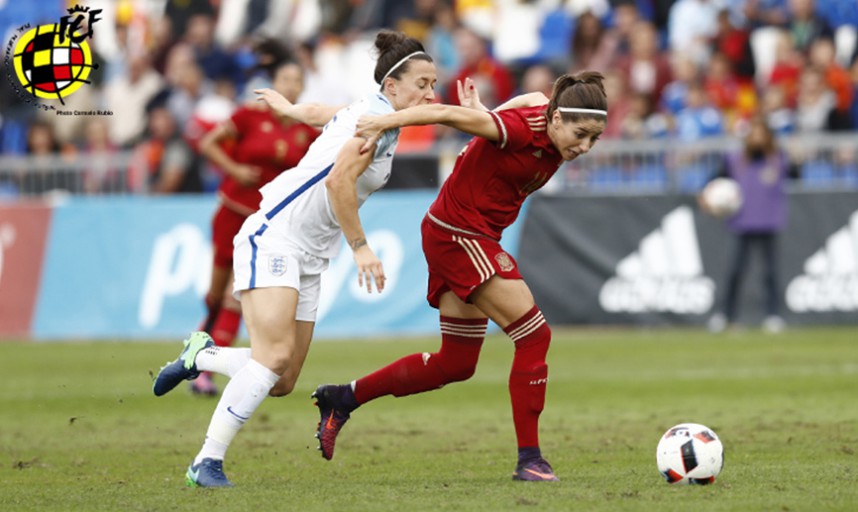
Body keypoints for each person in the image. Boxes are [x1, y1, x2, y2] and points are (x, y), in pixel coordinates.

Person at [150, 30, 438, 488]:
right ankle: (206, 461)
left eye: (433, 84)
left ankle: (202, 355)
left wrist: (289, 109)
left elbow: (324, 113)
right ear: (392, 86)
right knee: (274, 356)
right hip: (276, 235)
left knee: (282, 379)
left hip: (310, 252)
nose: (430, 93)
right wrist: (361, 247)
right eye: (423, 83)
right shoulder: (373, 125)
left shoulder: (377, 115)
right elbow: (338, 183)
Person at [313, 71, 608, 482]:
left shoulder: (542, 117)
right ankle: (530, 460)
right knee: (534, 335)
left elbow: (533, 95)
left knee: (455, 364)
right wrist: (384, 122)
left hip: (458, 232)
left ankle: (343, 397)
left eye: (594, 138)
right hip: (460, 235)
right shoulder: (520, 131)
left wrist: (487, 111)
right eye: (581, 134)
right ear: (556, 119)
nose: (585, 146)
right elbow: (445, 114)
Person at [189, 59, 321, 396]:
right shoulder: (248, 116)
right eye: (285, 78)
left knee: (236, 295)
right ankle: (197, 349)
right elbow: (207, 144)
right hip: (233, 211)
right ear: (274, 84)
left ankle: (205, 369)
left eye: (296, 79)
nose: (291, 85)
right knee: (216, 295)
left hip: (270, 224)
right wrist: (233, 169)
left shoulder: (306, 130)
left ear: (302, 88)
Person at [703, 116, 793, 333]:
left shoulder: (778, 159)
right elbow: (714, 182)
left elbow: (798, 173)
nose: (757, 139)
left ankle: (773, 316)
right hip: (741, 222)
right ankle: (726, 315)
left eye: (761, 134)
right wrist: (708, 198)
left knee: (770, 273)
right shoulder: (734, 160)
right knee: (734, 272)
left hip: (768, 221)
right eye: (754, 134)